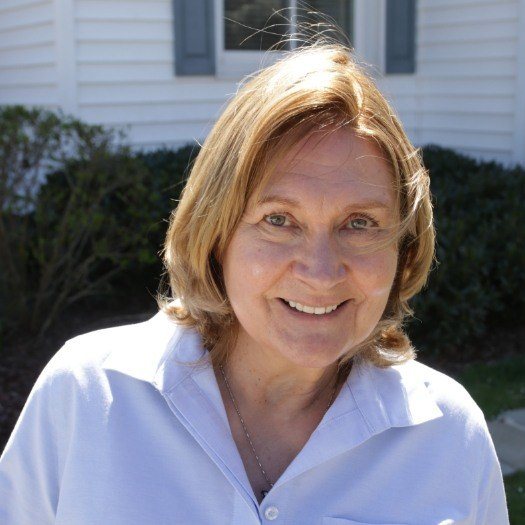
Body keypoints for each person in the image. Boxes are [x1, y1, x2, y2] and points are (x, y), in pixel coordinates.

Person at [0, 43, 509, 524]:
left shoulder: (448, 435)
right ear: (216, 234)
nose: (320, 270)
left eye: (359, 224)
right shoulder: (88, 395)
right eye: (279, 220)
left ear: (404, 249)